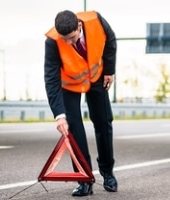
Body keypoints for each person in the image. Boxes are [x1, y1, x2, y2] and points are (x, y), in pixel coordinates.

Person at [44, 10, 117, 196]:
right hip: (69, 84)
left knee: (103, 122)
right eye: (64, 39)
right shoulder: (52, 41)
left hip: (96, 76)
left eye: (72, 37)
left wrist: (109, 70)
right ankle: (84, 179)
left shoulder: (95, 20)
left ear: (79, 26)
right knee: (73, 129)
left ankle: (107, 172)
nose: (68, 42)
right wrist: (59, 115)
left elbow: (110, 40)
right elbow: (51, 78)